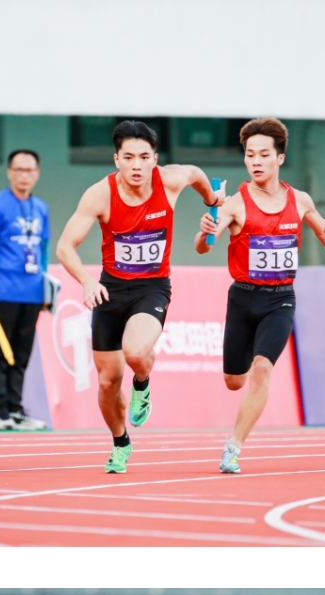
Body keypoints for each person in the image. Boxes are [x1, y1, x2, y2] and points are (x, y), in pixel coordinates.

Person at [196, 118, 325, 475]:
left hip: (280, 300)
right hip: (242, 298)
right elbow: (204, 246)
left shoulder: (299, 200)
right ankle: (242, 376)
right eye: (249, 155)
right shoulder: (235, 204)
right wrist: (204, 232)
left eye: (263, 154)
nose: (255, 161)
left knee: (262, 370)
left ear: (280, 158)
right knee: (234, 381)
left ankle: (234, 447)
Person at [56, 120, 223, 473]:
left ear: (155, 159)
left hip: (152, 288)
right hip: (110, 290)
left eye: (144, 157)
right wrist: (87, 282)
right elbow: (65, 246)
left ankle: (142, 384)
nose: (136, 165)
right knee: (107, 382)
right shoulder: (100, 194)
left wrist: (210, 199)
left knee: (134, 351)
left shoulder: (170, 180)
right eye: (129, 157)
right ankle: (121, 443)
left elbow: (195, 173)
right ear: (116, 159)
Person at [0, 150, 51, 429]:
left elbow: (43, 251)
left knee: (22, 354)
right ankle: (0, 412)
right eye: (19, 170)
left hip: (32, 294)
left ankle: (15, 409)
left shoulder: (41, 208)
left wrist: (45, 290)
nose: (24, 175)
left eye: (29, 170)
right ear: (9, 172)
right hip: (3, 293)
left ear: (37, 174)